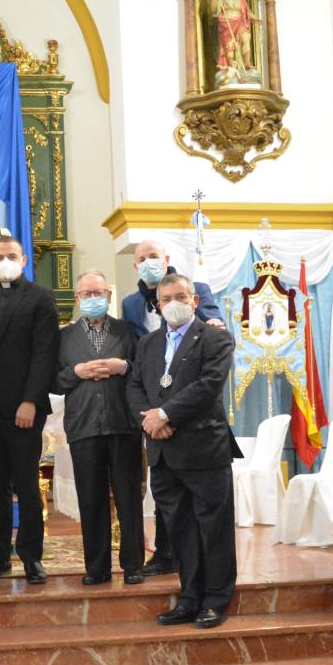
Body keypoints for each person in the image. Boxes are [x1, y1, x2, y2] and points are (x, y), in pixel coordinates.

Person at [126, 273, 238, 630]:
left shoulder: (215, 338)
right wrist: (149, 419)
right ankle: (189, 598)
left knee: (213, 529)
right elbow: (135, 385)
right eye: (166, 299)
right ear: (158, 305)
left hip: (204, 449)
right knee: (181, 532)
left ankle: (216, 600)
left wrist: (165, 414)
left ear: (193, 300)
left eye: (181, 296)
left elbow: (208, 386)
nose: (173, 303)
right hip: (162, 452)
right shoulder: (148, 344)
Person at [119, 238, 223, 578]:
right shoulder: (132, 304)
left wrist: (168, 414)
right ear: (135, 265)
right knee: (166, 497)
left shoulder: (197, 291)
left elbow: (212, 329)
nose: (149, 261)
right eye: (142, 258)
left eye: (154, 256)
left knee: (202, 517)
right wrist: (151, 416)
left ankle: (206, 583)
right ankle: (166, 555)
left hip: (190, 413)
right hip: (152, 403)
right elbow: (137, 364)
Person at [0, 235, 60, 585]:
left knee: (26, 485)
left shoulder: (41, 299)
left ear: (23, 261)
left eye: (11, 256)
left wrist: (31, 400)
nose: (5, 260)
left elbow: (44, 353)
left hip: (25, 408)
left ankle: (32, 556)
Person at [52, 270, 145, 586]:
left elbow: (143, 371)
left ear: (108, 294)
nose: (93, 299)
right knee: (91, 499)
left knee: (128, 497)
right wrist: (75, 372)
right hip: (84, 426)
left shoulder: (125, 332)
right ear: (78, 299)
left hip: (123, 425)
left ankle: (133, 565)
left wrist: (124, 366)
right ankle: (97, 568)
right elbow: (52, 379)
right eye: (86, 294)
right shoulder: (63, 337)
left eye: (98, 293)